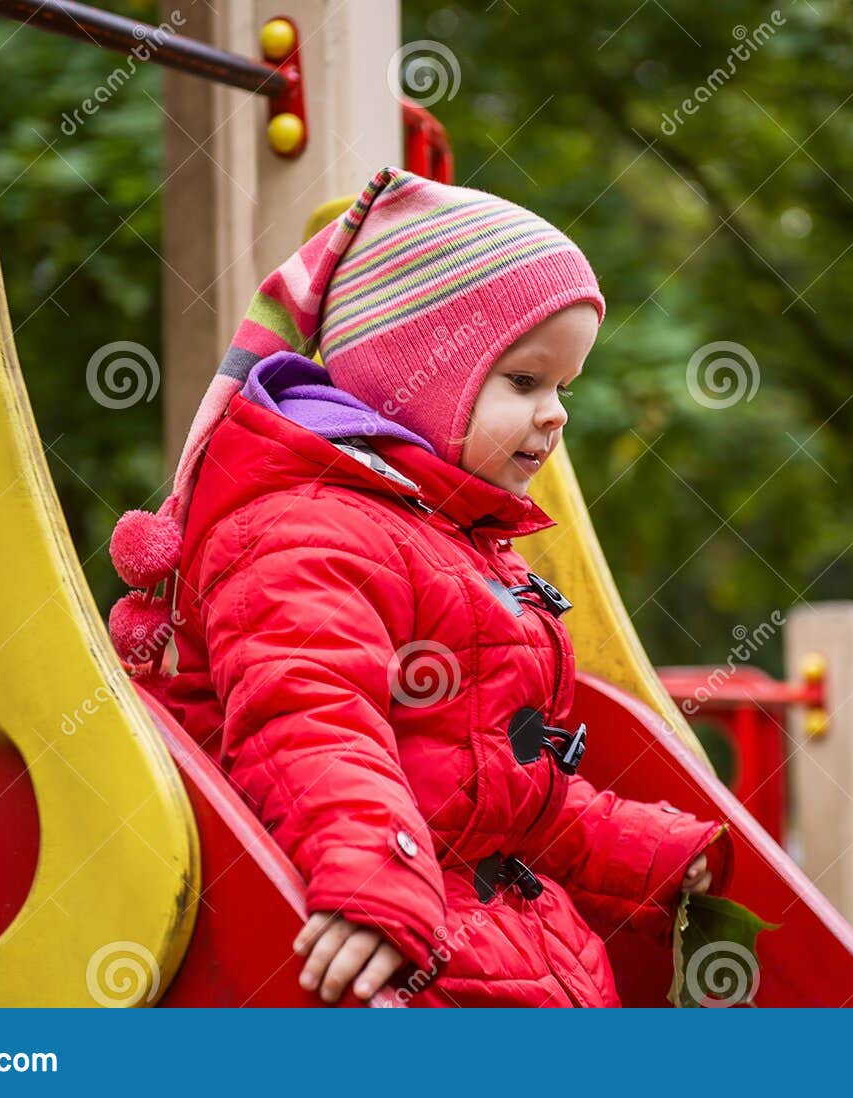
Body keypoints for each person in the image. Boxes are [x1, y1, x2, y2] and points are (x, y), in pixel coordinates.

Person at [106, 166, 732, 1007]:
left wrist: (643, 849)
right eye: (524, 381)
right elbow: (310, 717)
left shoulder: (454, 544)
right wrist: (372, 885)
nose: (557, 415)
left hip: (514, 951)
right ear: (421, 377)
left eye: (562, 388)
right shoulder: (305, 531)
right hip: (418, 962)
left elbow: (498, 797)